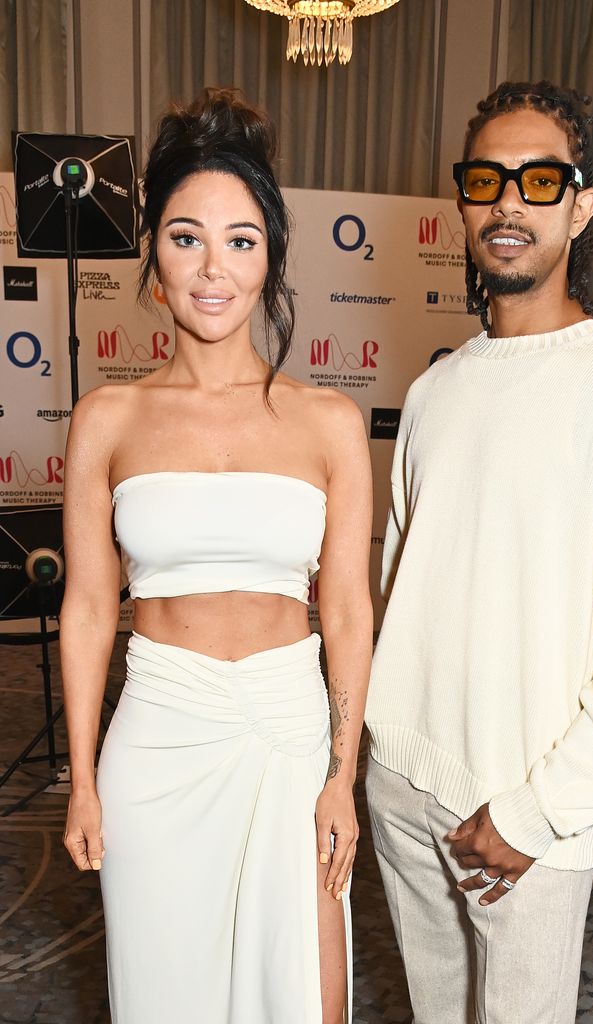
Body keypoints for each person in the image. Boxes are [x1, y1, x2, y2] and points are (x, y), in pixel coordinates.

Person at [365, 80, 593, 1024]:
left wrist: (537, 814)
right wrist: (376, 757)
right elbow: (400, 587)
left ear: (580, 204)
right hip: (402, 785)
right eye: (487, 180)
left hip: (521, 814)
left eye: (539, 180)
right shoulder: (436, 391)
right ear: (463, 203)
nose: (508, 202)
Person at [60, 88, 372, 1024]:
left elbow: (348, 609)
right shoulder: (106, 418)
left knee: (305, 998)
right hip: (157, 735)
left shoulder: (328, 420)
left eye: (241, 240)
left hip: (287, 729)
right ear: (152, 251)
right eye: (187, 236)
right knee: (168, 997)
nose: (213, 268)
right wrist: (80, 779)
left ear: (270, 255)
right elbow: (84, 609)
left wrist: (341, 775)